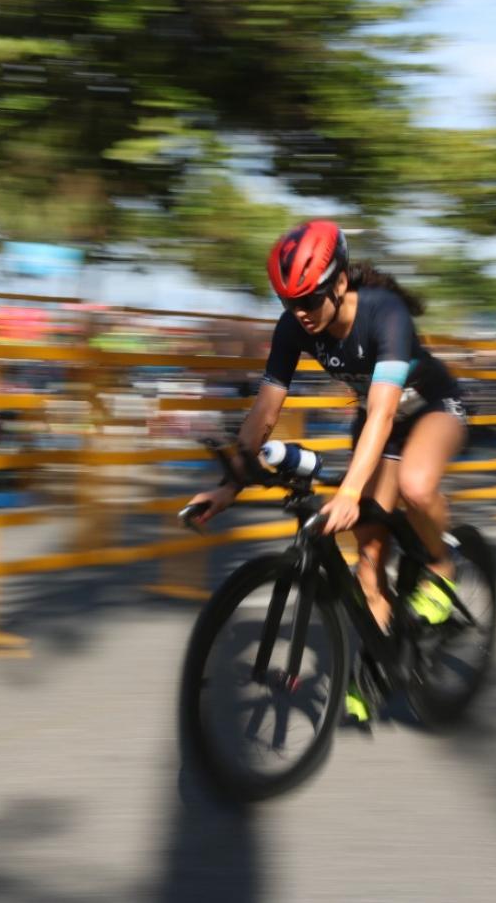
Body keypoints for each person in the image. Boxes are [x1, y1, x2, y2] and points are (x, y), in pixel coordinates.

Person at [186, 219, 469, 722]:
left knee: (415, 485)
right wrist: (230, 484)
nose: (301, 314)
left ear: (340, 283)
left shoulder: (385, 313)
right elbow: (266, 410)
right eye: (288, 302)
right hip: (378, 420)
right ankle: (379, 664)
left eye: (309, 300)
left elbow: (384, 414)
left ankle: (443, 570)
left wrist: (350, 491)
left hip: (430, 406)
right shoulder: (295, 324)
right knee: (368, 556)